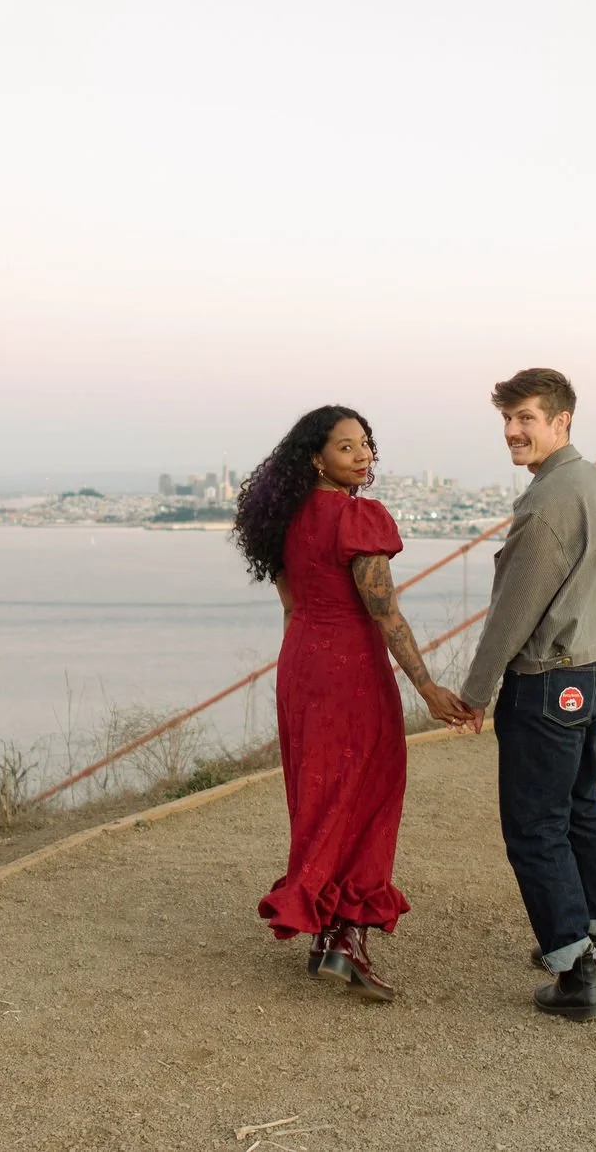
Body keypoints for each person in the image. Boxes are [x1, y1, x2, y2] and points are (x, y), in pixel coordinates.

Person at [232, 405, 477, 1003]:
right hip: (353, 672)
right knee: (368, 794)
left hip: (301, 668)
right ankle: (346, 940)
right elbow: (384, 611)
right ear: (317, 457)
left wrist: (302, 671)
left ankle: (327, 936)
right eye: (347, 447)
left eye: (366, 443)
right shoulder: (358, 517)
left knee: (320, 795)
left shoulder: (282, 521)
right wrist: (427, 689)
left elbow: (291, 608)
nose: (363, 455)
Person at [460, 368, 596, 1022]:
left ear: (561, 420)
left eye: (526, 417)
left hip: (550, 680)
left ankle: (572, 968)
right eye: (508, 418)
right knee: (580, 803)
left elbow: (513, 611)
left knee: (535, 825)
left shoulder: (547, 502)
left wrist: (476, 691)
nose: (513, 430)